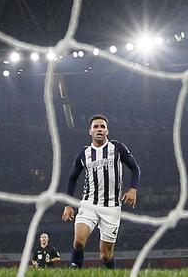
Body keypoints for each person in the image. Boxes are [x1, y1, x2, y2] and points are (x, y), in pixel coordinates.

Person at [62, 115, 140, 268]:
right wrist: (68, 205)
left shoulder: (117, 148)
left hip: (111, 207)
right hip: (89, 203)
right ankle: (74, 271)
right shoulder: (84, 154)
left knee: (105, 255)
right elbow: (72, 179)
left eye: (102, 127)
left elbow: (135, 168)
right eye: (96, 127)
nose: (99, 129)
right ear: (90, 132)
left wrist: (133, 189)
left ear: (107, 131)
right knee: (78, 241)